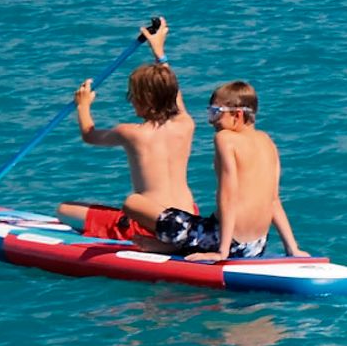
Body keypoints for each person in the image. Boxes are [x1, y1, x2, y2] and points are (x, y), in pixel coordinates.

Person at [73, 19, 211, 254]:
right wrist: (159, 52)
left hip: (150, 223)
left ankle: (145, 238)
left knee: (66, 210)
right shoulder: (186, 124)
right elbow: (173, 93)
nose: (131, 101)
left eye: (134, 96)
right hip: (187, 218)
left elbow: (89, 135)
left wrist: (83, 105)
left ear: (144, 100)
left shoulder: (131, 133)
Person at [206, 80, 302, 260]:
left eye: (216, 113)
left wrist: (222, 251)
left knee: (155, 214)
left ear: (238, 114)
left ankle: (157, 248)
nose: (212, 121)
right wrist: (293, 249)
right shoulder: (268, 142)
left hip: (226, 241)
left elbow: (228, 196)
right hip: (256, 246)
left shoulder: (224, 138)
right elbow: (273, 201)